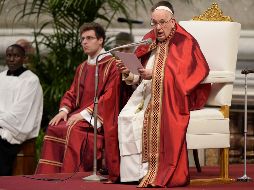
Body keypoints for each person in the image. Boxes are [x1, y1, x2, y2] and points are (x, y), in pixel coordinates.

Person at [117, 1, 211, 187]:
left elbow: (193, 73)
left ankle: (153, 172)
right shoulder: (149, 39)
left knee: (147, 119)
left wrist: (157, 74)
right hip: (145, 93)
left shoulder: (185, 41)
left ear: (172, 21)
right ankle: (134, 175)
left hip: (170, 96)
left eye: (162, 22)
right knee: (125, 117)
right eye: (154, 23)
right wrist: (129, 71)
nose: (158, 28)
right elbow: (138, 74)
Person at [35, 22, 120, 183]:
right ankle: (49, 177)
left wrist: (82, 115)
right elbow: (73, 93)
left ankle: (71, 179)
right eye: (82, 39)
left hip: (98, 118)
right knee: (54, 127)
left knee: (72, 129)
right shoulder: (82, 67)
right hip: (81, 114)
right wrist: (64, 111)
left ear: (100, 40)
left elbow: (110, 97)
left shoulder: (112, 65)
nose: (84, 42)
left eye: (89, 38)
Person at [0, 44, 43, 176]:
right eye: (9, 55)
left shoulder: (31, 80)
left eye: (16, 56)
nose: (12, 59)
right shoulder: (1, 77)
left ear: (24, 58)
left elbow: (22, 112)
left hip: (15, 130)